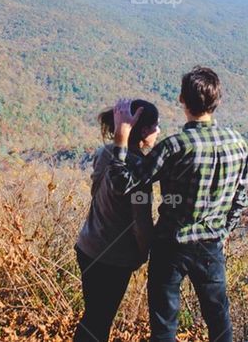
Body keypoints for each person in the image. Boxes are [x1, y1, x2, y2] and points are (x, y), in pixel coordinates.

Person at [108, 66, 248, 342]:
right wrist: (221, 232)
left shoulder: (175, 146)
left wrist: (121, 141)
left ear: (182, 100)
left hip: (170, 245)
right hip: (210, 246)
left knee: (164, 327)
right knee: (220, 324)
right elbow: (241, 200)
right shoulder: (238, 144)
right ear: (216, 101)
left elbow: (124, 184)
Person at [73, 99, 161, 342]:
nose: (158, 131)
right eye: (156, 126)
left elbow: (96, 192)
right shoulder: (139, 168)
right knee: (98, 322)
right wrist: (144, 253)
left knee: (93, 317)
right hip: (114, 258)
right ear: (143, 131)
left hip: (88, 246)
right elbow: (141, 221)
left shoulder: (104, 153)